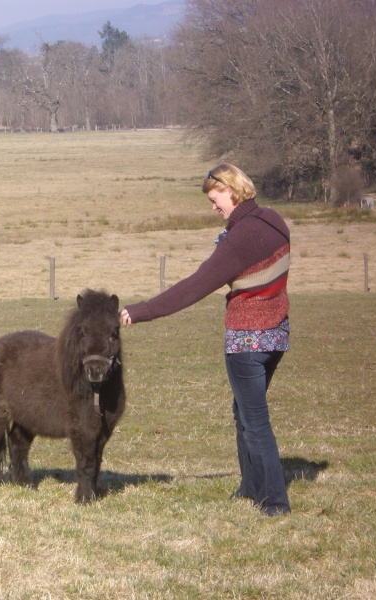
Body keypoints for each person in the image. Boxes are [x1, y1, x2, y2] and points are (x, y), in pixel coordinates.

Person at [120, 163, 291, 516]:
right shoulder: (274, 220)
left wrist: (139, 312)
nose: (214, 207)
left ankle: (274, 501)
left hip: (246, 341)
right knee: (243, 411)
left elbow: (193, 288)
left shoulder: (240, 238)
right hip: (276, 336)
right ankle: (250, 486)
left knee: (255, 420)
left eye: (216, 199)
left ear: (232, 189)